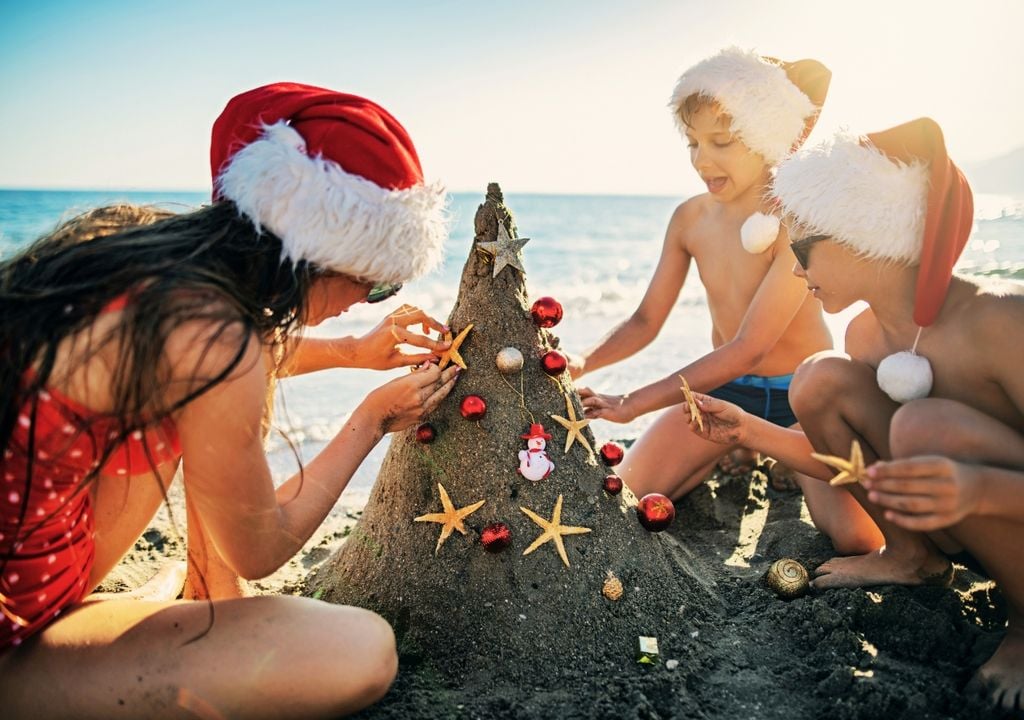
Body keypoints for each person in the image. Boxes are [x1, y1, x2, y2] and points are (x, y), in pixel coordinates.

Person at [0, 82, 458, 719]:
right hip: (14, 637)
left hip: (31, 563)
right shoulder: (219, 344)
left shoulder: (145, 252)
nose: (367, 298)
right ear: (324, 252)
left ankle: (199, 597)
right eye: (376, 280)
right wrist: (372, 418)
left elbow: (222, 362)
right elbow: (261, 547)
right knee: (361, 651)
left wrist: (351, 351)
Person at [683, 117, 1024, 711]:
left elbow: (928, 450)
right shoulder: (867, 336)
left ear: (861, 237)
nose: (794, 269)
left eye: (801, 249)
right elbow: (875, 466)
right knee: (818, 381)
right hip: (960, 525)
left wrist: (979, 488)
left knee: (923, 426)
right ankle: (911, 554)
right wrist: (752, 432)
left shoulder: (997, 322)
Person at [574, 47, 843, 503]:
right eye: (693, 143)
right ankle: (739, 449)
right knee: (633, 492)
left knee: (851, 536)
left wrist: (632, 402)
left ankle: (767, 449)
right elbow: (645, 321)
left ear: (767, 137)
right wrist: (583, 362)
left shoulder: (796, 221)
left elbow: (751, 348)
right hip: (726, 392)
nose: (702, 160)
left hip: (803, 393)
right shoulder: (689, 220)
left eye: (721, 142)